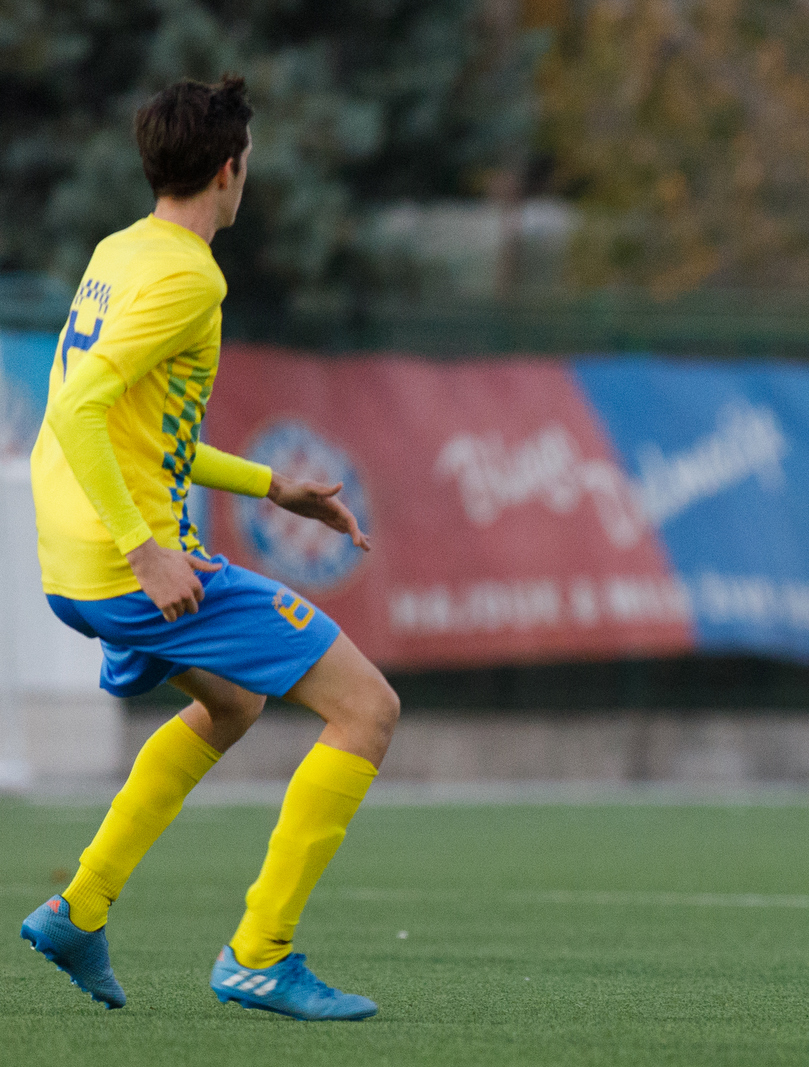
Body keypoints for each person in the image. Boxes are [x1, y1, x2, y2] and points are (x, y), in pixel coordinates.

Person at [18, 77, 399, 1021]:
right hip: (126, 562)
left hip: (70, 559)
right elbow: (74, 409)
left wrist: (273, 486)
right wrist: (147, 549)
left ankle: (81, 906)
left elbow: (138, 428)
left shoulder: (122, 249)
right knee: (367, 707)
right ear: (231, 170)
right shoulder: (191, 274)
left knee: (229, 703)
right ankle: (260, 952)